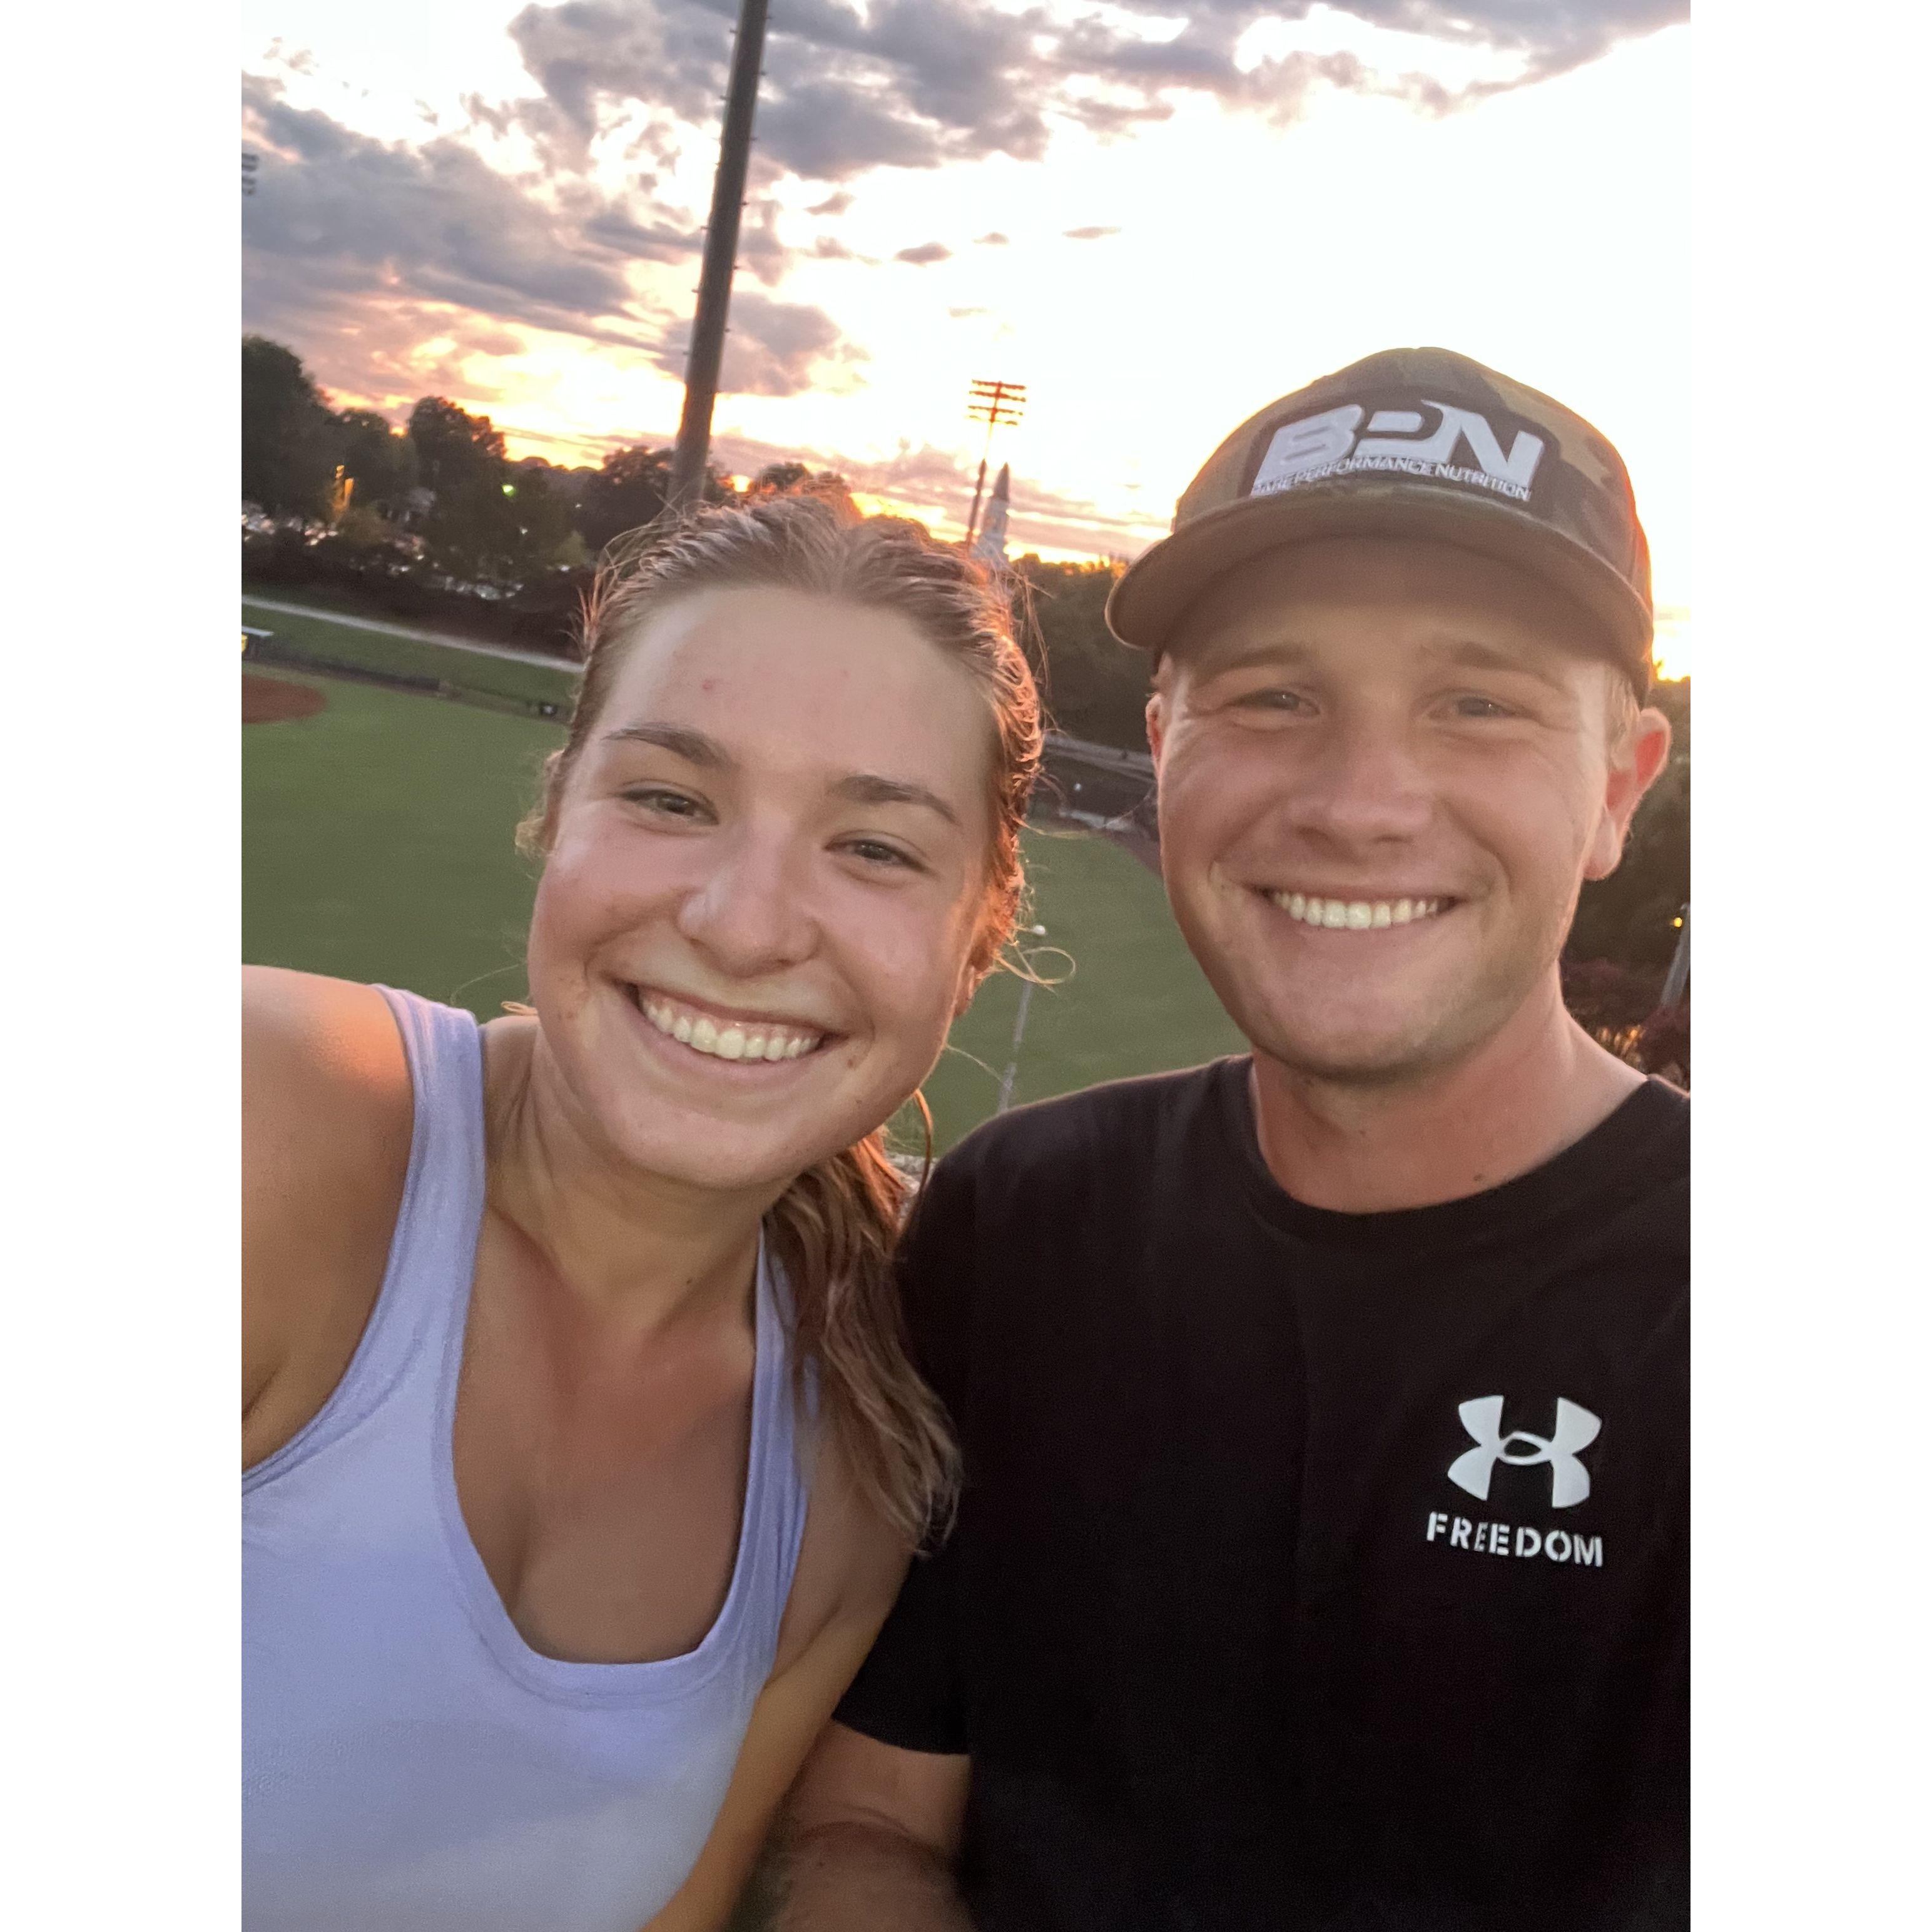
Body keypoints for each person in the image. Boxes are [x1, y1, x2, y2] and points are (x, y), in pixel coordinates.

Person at [782, 347, 1687, 1930]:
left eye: (1477, 702)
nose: (1358, 799)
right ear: (1165, 734)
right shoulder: (1022, 1219)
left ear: (1618, 785)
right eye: (1273, 695)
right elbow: (869, 1819)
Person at [242, 493, 1042, 1931]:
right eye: (671, 799)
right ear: (557, 809)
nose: (742, 923)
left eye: (873, 847)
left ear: (978, 931)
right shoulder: (260, 1132)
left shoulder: (851, 1476)